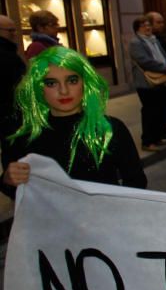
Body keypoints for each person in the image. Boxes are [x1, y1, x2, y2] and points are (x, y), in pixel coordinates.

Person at [2, 47, 147, 197]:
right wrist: (8, 180)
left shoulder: (110, 129)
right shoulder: (22, 133)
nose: (63, 91)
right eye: (51, 83)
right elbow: (19, 195)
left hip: (103, 218)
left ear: (85, 83)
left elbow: (136, 183)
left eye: (72, 80)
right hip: (48, 220)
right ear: (38, 87)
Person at [128, 16, 166, 151]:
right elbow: (144, 61)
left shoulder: (154, 40)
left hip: (162, 79)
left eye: (149, 25)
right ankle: (148, 141)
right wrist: (164, 68)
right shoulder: (136, 43)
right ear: (137, 29)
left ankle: (157, 136)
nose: (148, 28)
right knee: (150, 111)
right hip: (146, 82)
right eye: (144, 26)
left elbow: (164, 55)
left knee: (159, 109)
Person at [0, 14, 26, 142]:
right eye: (10, 30)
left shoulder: (9, 52)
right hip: (10, 112)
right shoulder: (7, 56)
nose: (15, 34)